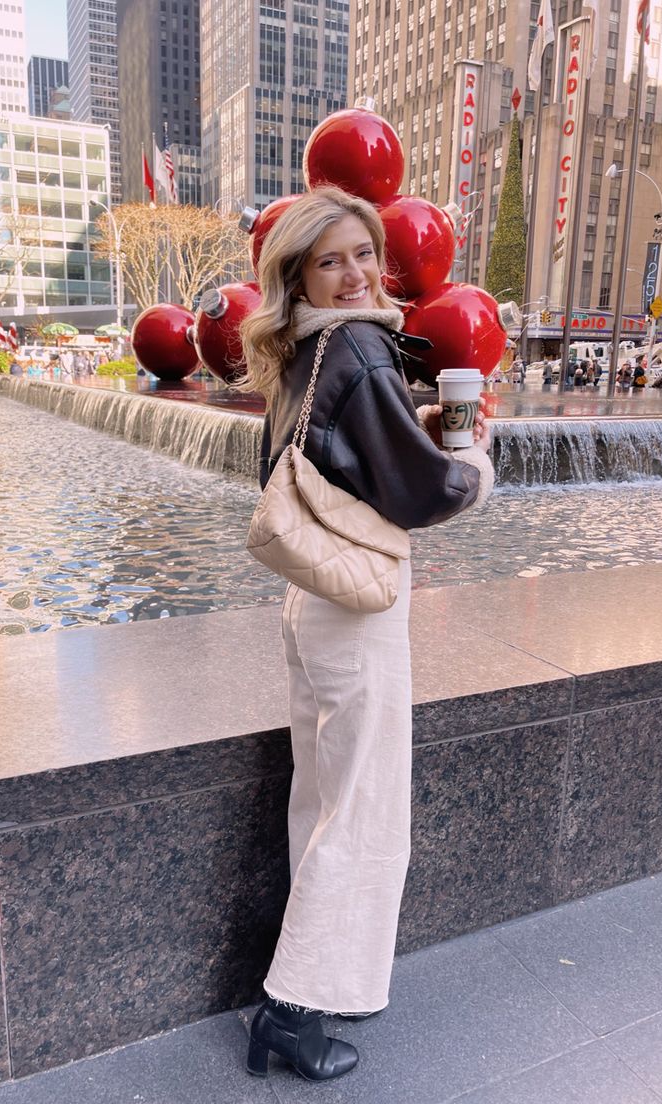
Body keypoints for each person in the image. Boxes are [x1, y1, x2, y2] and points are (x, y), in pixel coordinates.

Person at [237, 186, 494, 1084]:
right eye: (330, 259)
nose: (352, 275)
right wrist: (468, 460)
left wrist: (406, 430)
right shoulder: (359, 344)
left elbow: (343, 459)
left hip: (313, 604)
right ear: (300, 270)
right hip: (359, 610)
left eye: (362, 255)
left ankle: (312, 985)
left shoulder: (298, 351)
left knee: (322, 803)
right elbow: (423, 495)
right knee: (362, 809)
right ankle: (295, 1012)